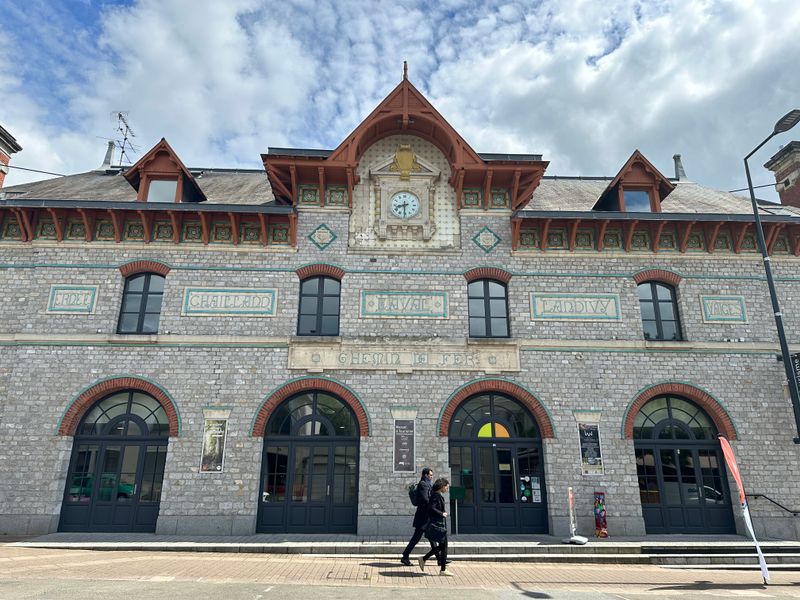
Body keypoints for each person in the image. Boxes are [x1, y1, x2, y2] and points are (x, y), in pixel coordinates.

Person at [418, 477, 453, 576]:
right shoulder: (436, 496)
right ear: (442, 487)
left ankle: (424, 559)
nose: (447, 489)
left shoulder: (436, 495)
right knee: (444, 546)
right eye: (446, 487)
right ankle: (442, 570)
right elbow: (431, 508)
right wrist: (442, 514)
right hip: (438, 525)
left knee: (442, 546)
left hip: (439, 524)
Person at [400, 467, 433, 566]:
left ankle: (440, 559)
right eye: (430, 475)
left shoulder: (427, 484)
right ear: (426, 475)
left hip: (426, 516)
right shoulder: (423, 484)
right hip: (423, 517)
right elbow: (425, 499)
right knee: (416, 538)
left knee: (432, 538)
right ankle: (405, 556)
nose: (431, 477)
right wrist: (433, 505)